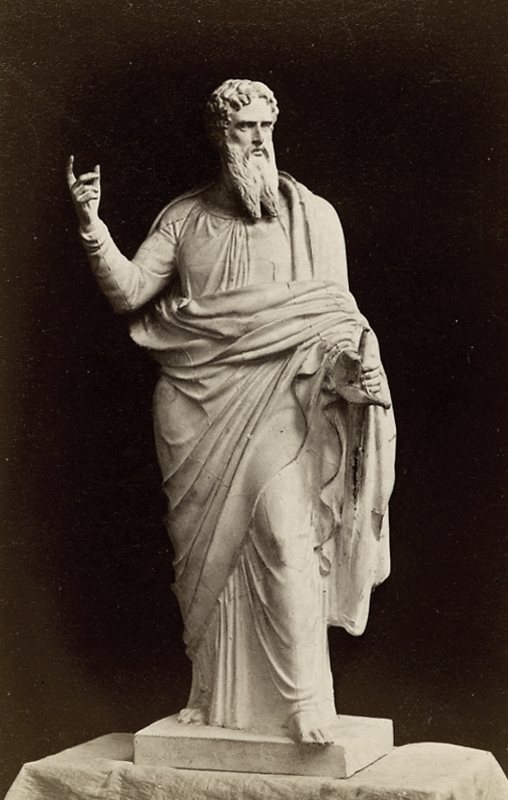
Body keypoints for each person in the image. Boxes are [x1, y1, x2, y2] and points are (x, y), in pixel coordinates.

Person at [66, 79, 396, 746]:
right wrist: (92, 226)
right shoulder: (183, 220)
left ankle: (303, 701)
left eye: (266, 127)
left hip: (285, 402)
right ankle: (213, 696)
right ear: (220, 136)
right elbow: (131, 292)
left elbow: (336, 323)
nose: (259, 140)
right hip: (196, 408)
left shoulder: (314, 218)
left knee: (283, 533)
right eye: (245, 128)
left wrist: (353, 374)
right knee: (206, 564)